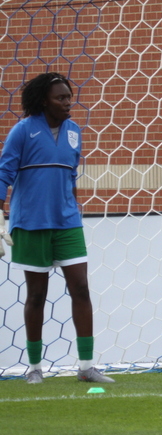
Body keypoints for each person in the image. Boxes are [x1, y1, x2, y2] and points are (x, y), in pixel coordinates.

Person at [0, 72, 114, 384]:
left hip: (67, 223)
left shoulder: (74, 132)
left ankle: (87, 367)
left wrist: (73, 209)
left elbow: (70, 177)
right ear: (42, 101)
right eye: (60, 97)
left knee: (81, 288)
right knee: (36, 295)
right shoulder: (22, 132)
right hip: (31, 223)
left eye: (68, 96)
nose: (67, 103)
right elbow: (4, 173)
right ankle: (35, 369)